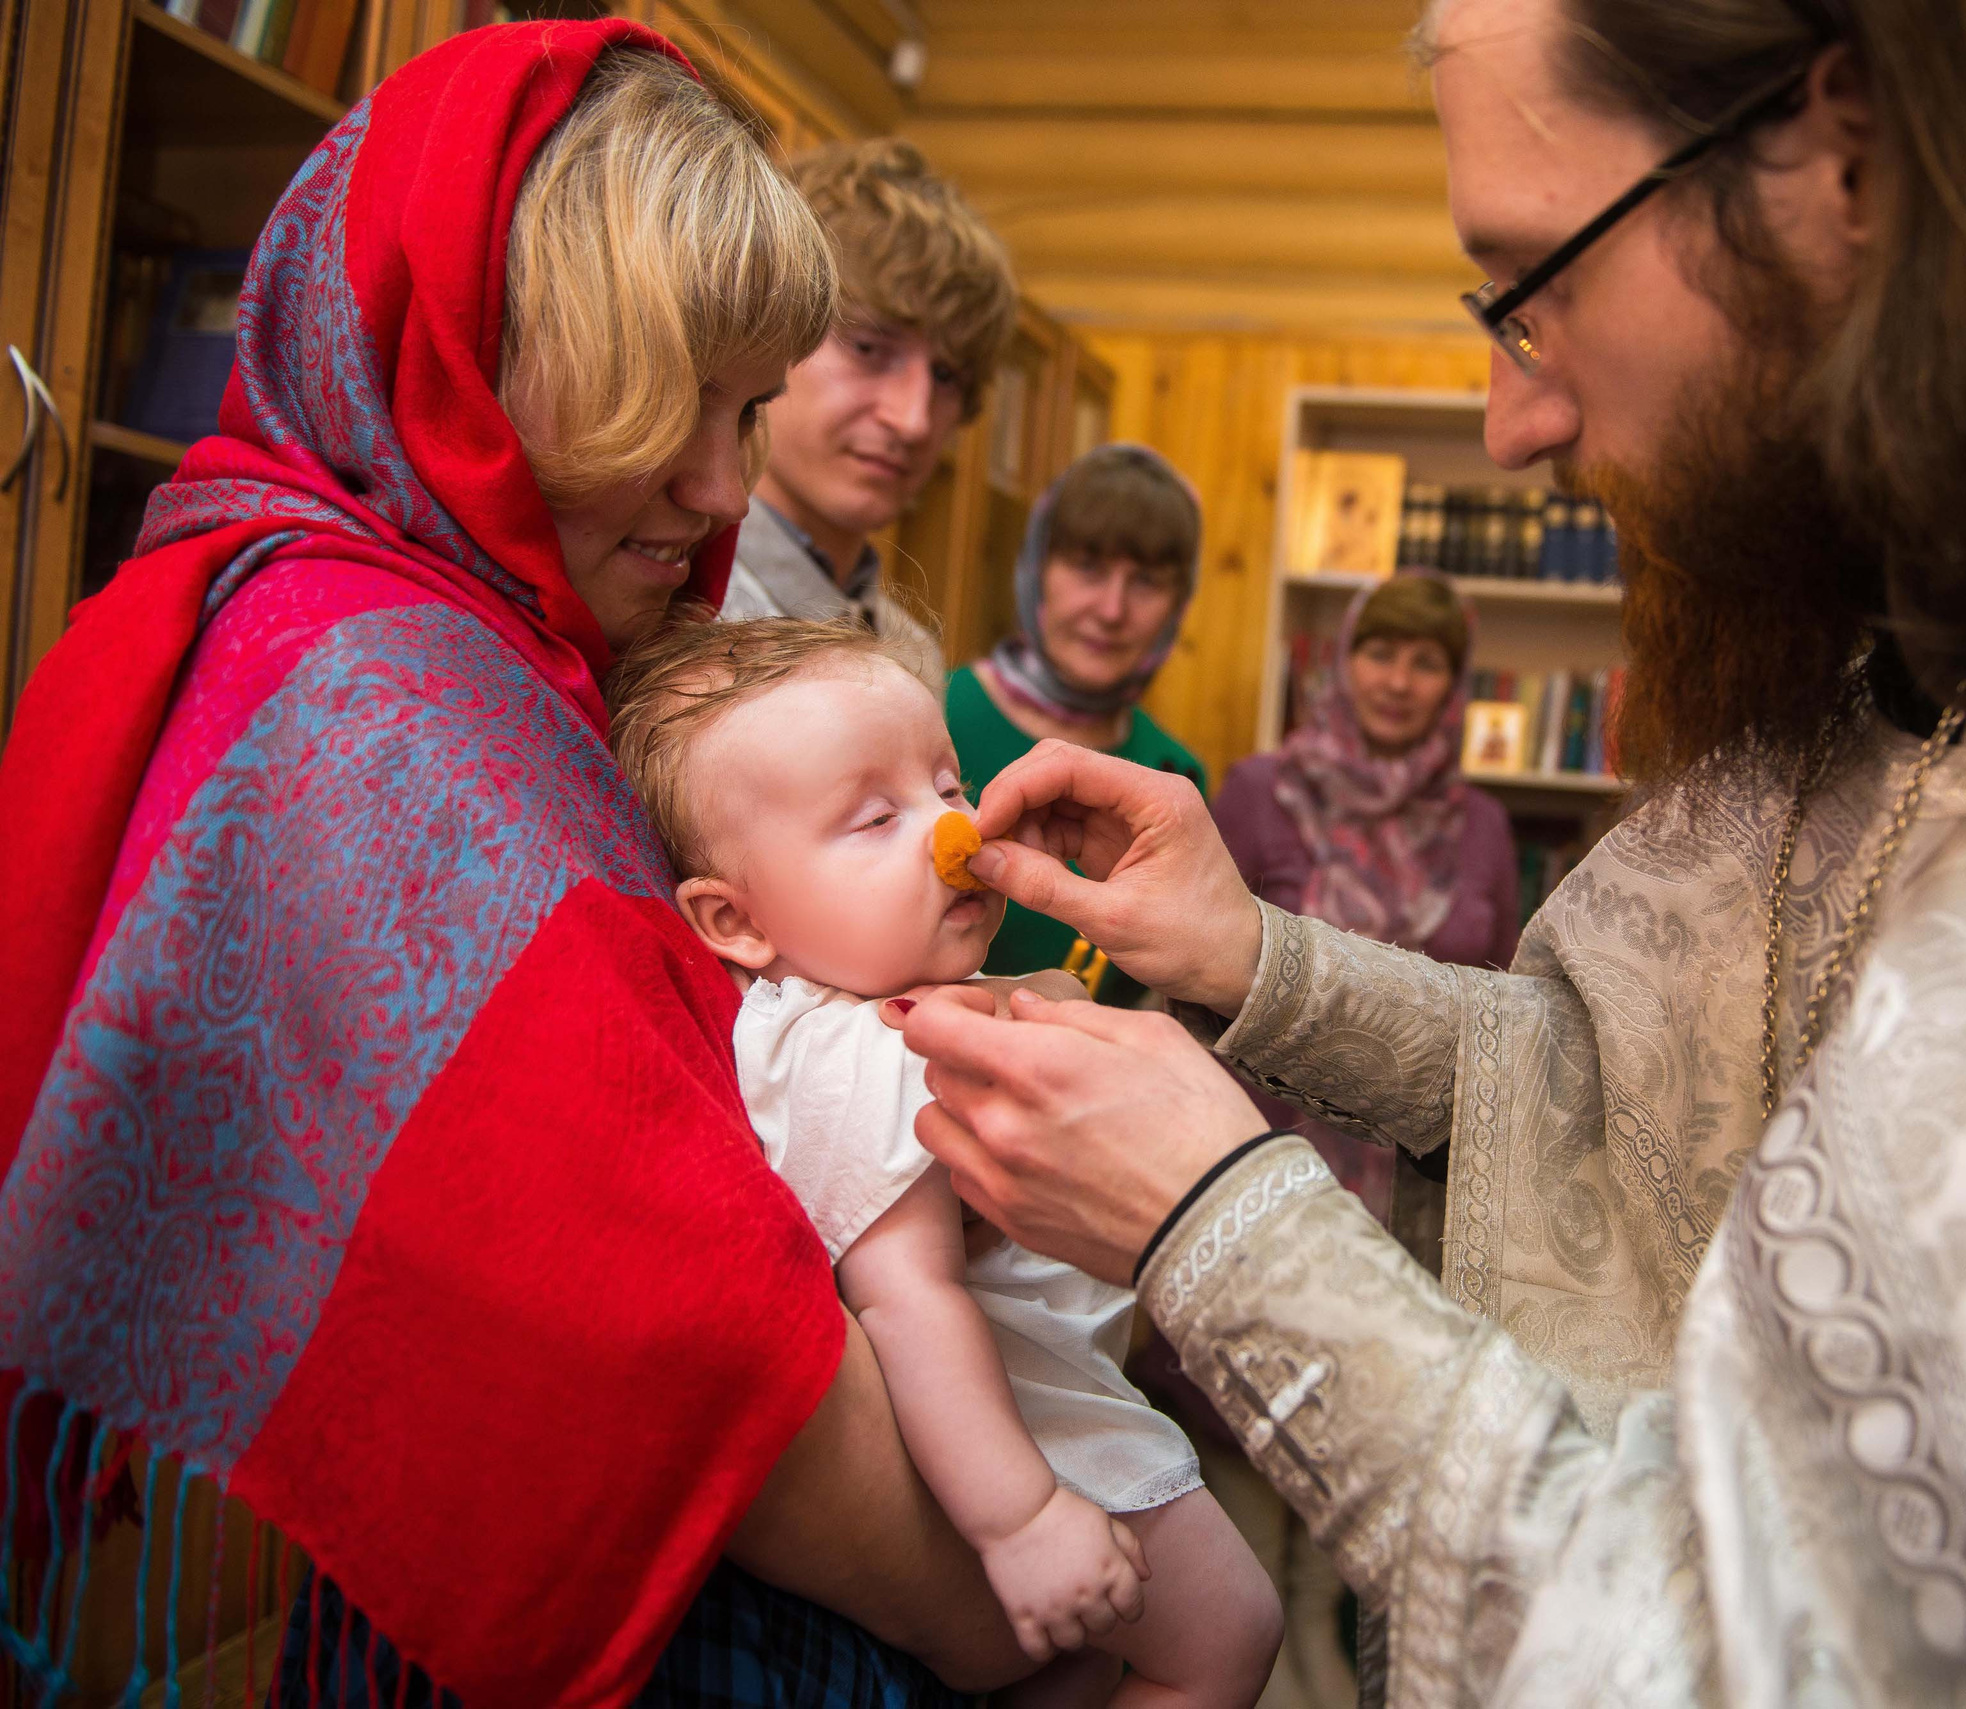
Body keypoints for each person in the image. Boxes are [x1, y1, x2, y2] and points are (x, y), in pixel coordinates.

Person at [885, 0, 1966, 1702]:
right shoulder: (1929, 615)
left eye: (1532, 290)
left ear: (1850, 159)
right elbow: (1619, 1090)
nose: (1514, 421)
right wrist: (1258, 956)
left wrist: (1219, 1225)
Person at [0, 25, 1033, 1705]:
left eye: (742, 404)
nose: (716, 484)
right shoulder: (398, 697)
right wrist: (1024, 1623)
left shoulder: (491, 634)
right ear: (468, 351)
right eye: (663, 394)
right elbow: (684, 1351)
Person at [606, 610, 1281, 1708]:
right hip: (1025, 1440)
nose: (948, 836)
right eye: (875, 817)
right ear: (733, 917)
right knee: (1231, 1634)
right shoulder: (863, 1055)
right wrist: (1021, 1520)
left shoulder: (830, 1013)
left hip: (1017, 1422)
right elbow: (907, 1299)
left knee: (1064, 1673)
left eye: (948, 785)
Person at [1183, 570, 1519, 1707]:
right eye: (1381, 650)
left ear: (1451, 684)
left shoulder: (1481, 827)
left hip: (1404, 1216)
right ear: (1342, 658)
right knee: (1244, 1538)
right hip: (1260, 1175)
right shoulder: (1260, 792)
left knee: (1346, 1548)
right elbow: (1191, 976)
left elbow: (1501, 1011)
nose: (1397, 678)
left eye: (1426, 660)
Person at [719, 138, 1011, 682]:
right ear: (768, 329)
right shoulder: (682, 614)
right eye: (869, 349)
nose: (913, 419)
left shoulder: (914, 659)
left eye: (946, 377)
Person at [948, 444, 1208, 1006]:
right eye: (1088, 567)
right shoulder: (933, 713)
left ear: (1178, 602)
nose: (1112, 609)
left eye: (1146, 582)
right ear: (1037, 568)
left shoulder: (1175, 779)